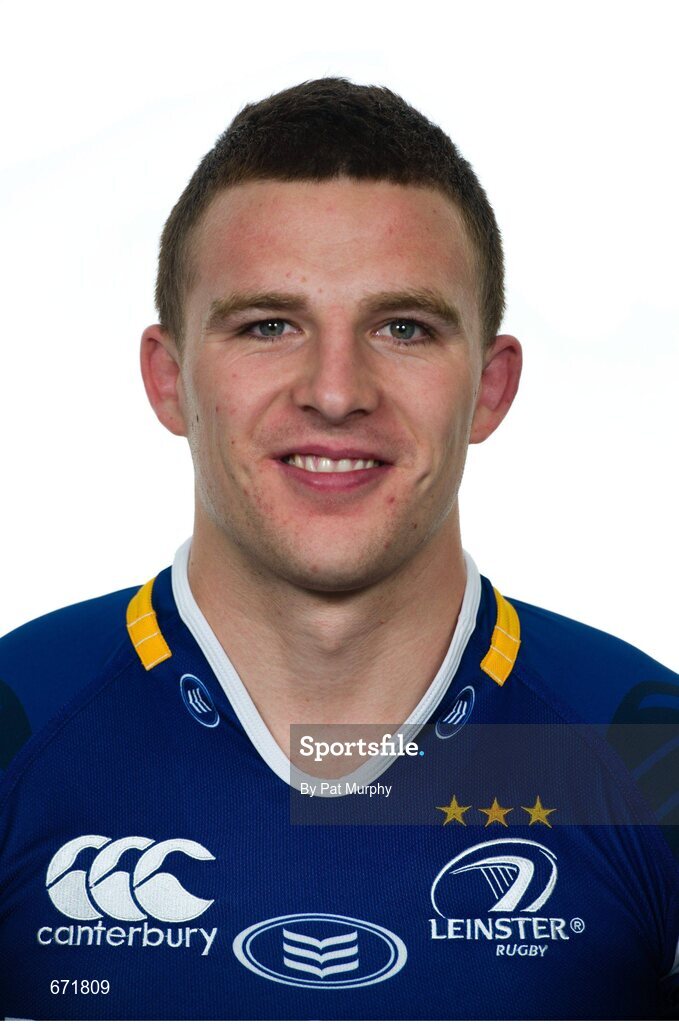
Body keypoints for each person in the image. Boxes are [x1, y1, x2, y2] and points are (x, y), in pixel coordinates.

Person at [0, 78, 677, 1021]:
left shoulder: (650, 753)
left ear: (488, 387)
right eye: (268, 325)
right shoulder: (18, 727)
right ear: (167, 379)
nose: (333, 390)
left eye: (402, 327)